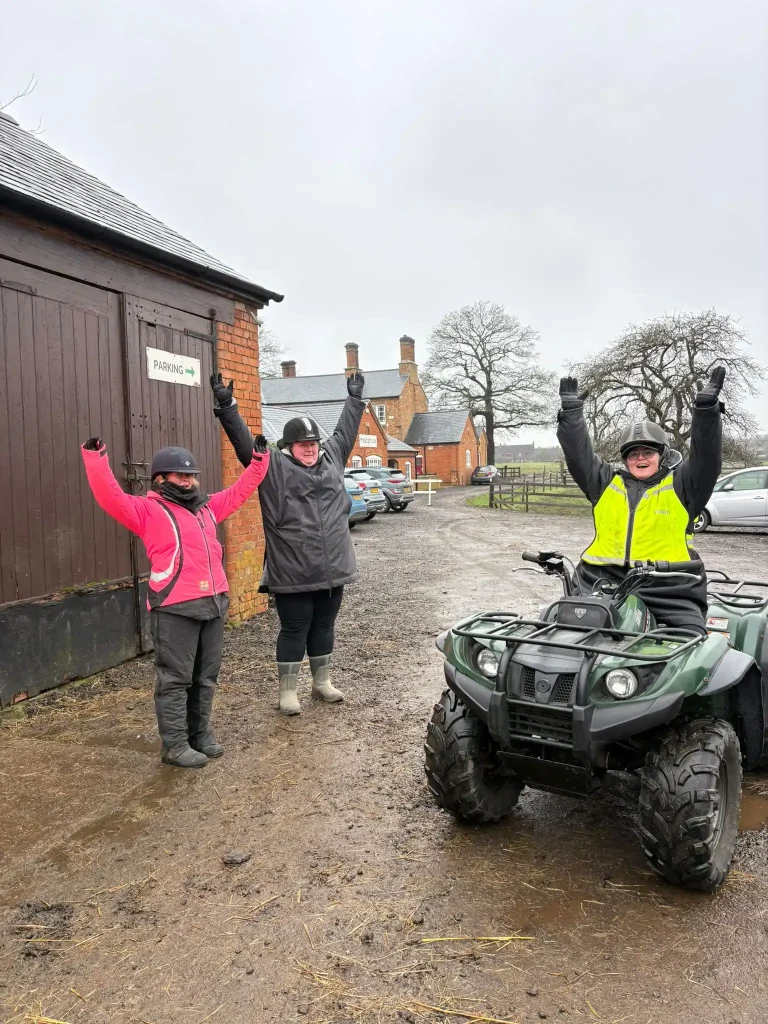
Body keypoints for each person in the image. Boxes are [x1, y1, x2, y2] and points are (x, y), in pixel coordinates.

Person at [81, 435, 270, 767]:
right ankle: (175, 745)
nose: (189, 481)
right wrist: (95, 459)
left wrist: (259, 461)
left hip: (213, 603)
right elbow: (109, 496)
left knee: (205, 676)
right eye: (181, 476)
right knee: (175, 680)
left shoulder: (207, 507)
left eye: (192, 476)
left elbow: (241, 491)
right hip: (175, 608)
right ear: (160, 479)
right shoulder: (146, 510)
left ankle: (201, 735)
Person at [210, 370, 366, 715]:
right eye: (302, 445)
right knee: (295, 629)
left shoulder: (333, 456)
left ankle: (322, 682)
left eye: (312, 444)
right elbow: (243, 444)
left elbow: (346, 431)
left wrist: (354, 399)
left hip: (333, 566)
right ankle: (288, 691)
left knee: (325, 626)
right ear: (289, 447)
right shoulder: (272, 466)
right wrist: (227, 405)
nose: (309, 450)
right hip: (292, 569)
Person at [556, 367, 726, 634]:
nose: (640, 458)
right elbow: (579, 458)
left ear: (662, 455)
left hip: (669, 590)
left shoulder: (683, 486)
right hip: (600, 584)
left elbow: (707, 458)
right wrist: (571, 415)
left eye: (648, 451)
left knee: (688, 649)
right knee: (560, 638)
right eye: (633, 453)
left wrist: (706, 411)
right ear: (625, 459)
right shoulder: (605, 484)